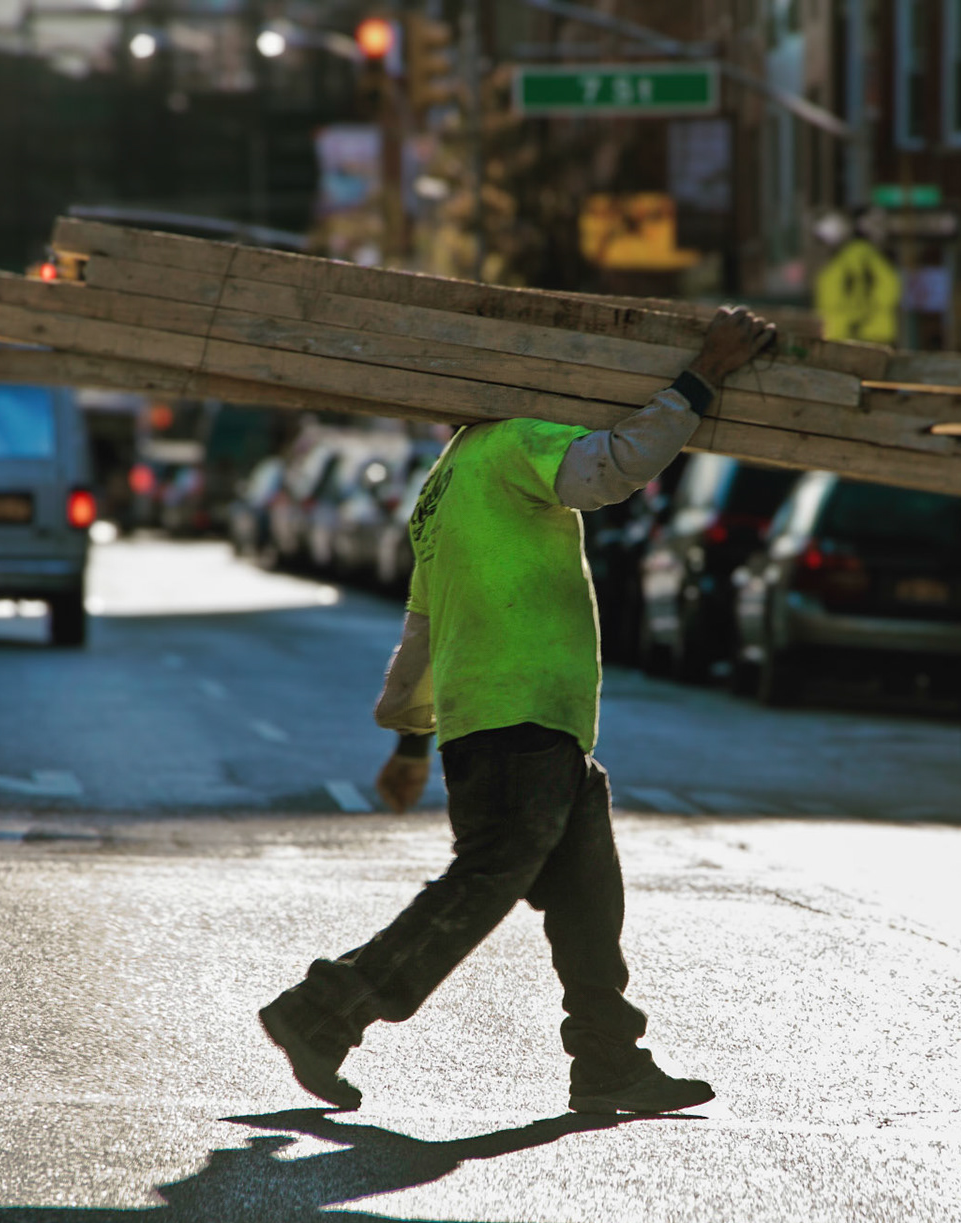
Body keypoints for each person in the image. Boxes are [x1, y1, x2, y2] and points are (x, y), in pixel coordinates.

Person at [260, 306, 778, 1115]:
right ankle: (324, 1008)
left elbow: (424, 632)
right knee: (480, 888)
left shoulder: (439, 484)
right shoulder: (514, 440)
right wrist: (702, 375)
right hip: (520, 722)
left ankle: (609, 1060)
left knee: (587, 899)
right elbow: (611, 469)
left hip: (523, 728)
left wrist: (406, 747)